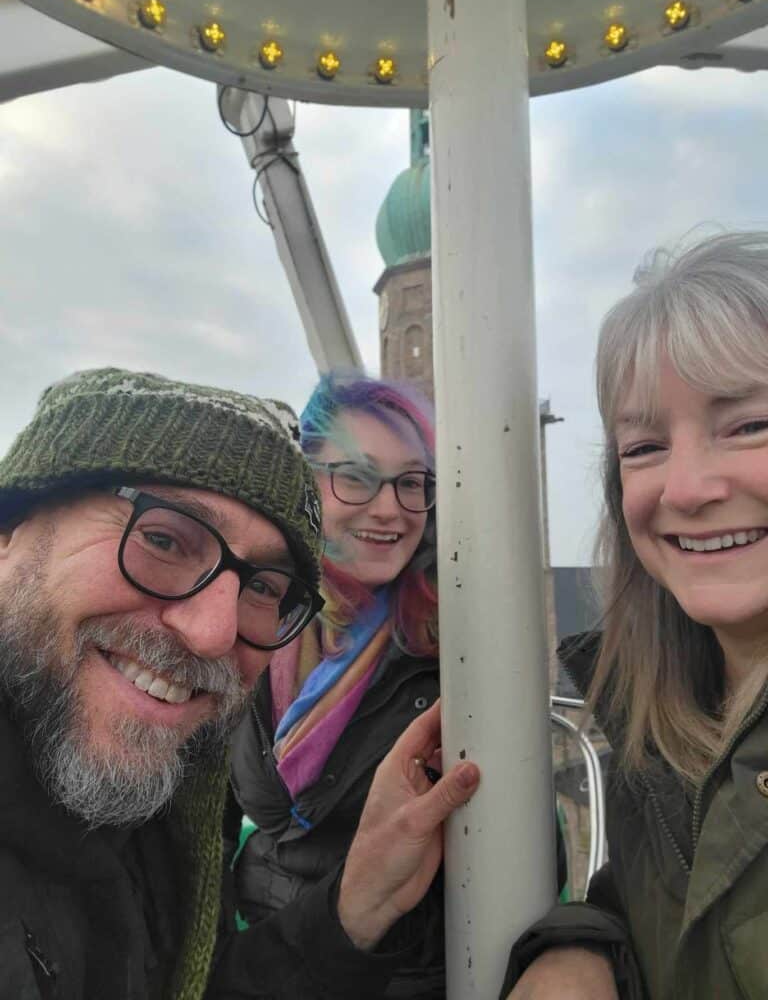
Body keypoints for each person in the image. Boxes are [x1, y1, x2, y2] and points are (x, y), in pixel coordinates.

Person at [0, 366, 479, 1000]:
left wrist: (356, 901)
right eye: (164, 539)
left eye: (263, 586)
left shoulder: (156, 818)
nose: (212, 631)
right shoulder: (253, 661)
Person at [503, 231, 768, 1000]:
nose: (685, 489)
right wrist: (582, 947)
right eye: (645, 445)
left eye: (749, 424)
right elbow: (680, 901)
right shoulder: (666, 718)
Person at [229, 373, 446, 997]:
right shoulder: (255, 615)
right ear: (307, 482)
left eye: (411, 482)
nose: (389, 509)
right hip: (257, 958)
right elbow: (206, 822)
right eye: (355, 475)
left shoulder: (454, 646)